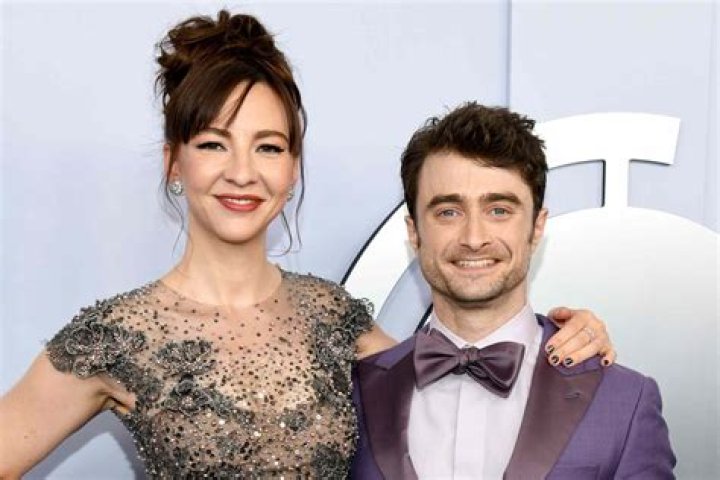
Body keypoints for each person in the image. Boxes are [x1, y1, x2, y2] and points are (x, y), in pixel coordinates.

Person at [0, 11, 615, 479]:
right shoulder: (116, 336)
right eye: (213, 144)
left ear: (292, 168)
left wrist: (566, 336)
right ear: (174, 162)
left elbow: (461, 370)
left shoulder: (333, 317)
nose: (242, 172)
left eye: (268, 147)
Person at [351, 103, 676, 479]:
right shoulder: (356, 393)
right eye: (448, 212)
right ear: (414, 232)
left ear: (537, 227)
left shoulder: (624, 401)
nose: (474, 238)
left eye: (499, 210)